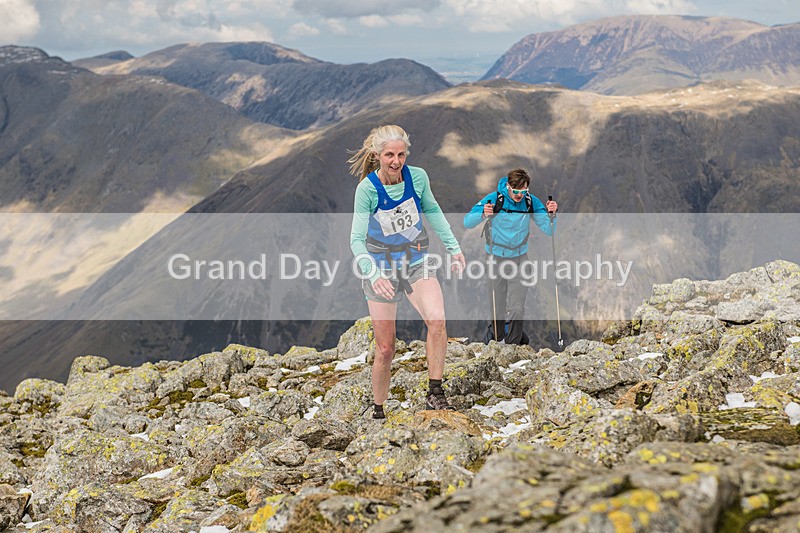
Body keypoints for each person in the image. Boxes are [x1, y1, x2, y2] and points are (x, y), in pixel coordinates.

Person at [349, 125, 466, 419]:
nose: (396, 161)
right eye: (389, 154)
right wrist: (373, 274)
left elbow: (433, 212)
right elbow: (356, 240)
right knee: (386, 348)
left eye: (401, 154)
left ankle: (435, 393)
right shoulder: (367, 190)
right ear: (377, 155)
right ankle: (378, 409)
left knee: (437, 320)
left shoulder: (417, 178)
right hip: (380, 266)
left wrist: (454, 248)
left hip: (416, 259)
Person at [463, 168, 557, 345]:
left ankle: (512, 347)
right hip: (495, 259)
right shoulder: (495, 199)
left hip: (520, 259)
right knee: (497, 306)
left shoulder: (530, 202)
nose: (520, 195)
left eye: (524, 191)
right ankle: (498, 336)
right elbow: (467, 222)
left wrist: (552, 215)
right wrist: (483, 212)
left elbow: (549, 230)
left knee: (517, 306)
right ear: (508, 186)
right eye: (516, 191)